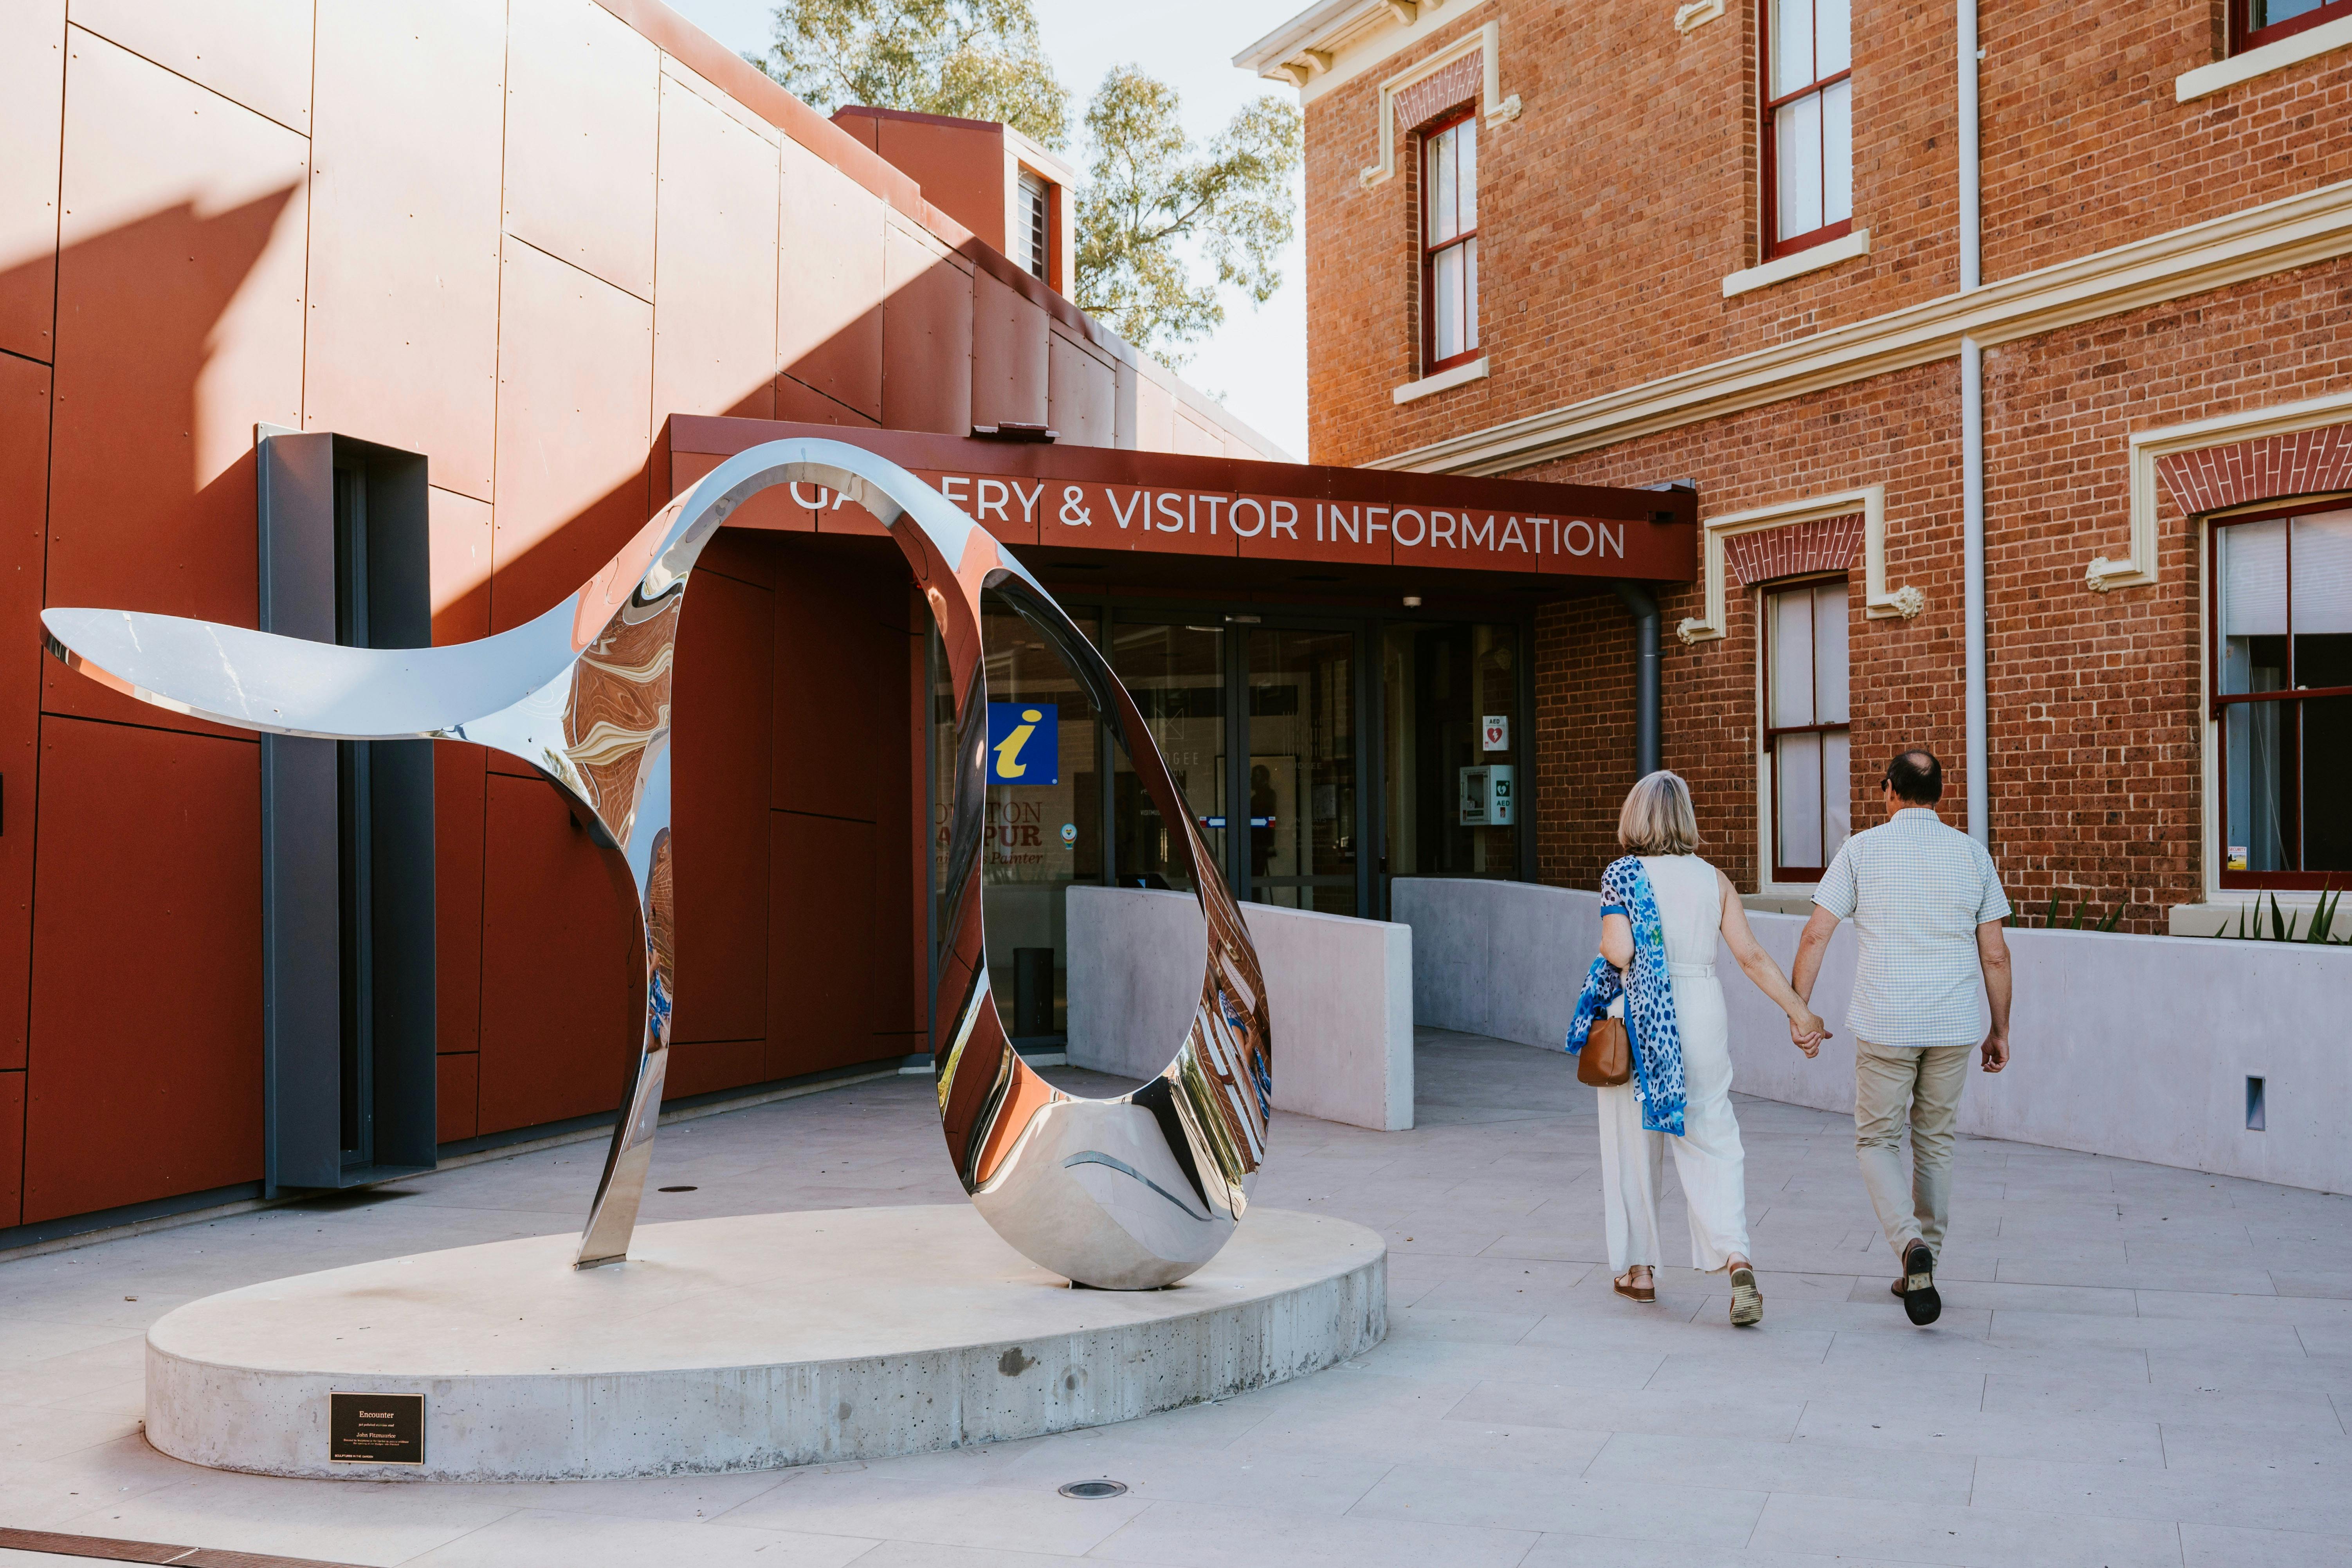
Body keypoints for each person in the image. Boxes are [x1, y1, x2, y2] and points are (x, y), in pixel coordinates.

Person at [1568, 771, 1829, 1327]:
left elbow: (1619, 949)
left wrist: (1604, 941)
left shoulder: (1622, 873)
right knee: (1712, 1130)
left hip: (1643, 1013)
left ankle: (1639, 1272)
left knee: (1633, 1141)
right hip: (1703, 1006)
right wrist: (1800, 1013)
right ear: (1684, 817)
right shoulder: (1714, 878)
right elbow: (1751, 957)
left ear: (1635, 816)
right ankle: (1736, 1257)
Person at [1791, 748, 2012, 1328]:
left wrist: (1798, 1010)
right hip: (1953, 1025)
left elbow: (1816, 935)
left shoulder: (1860, 849)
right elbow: (1994, 952)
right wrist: (2000, 1029)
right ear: (1939, 794)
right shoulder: (1971, 854)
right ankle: (1926, 1261)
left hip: (1886, 1021)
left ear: (1888, 789)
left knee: (1876, 1142)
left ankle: (1909, 1245)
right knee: (1935, 1141)